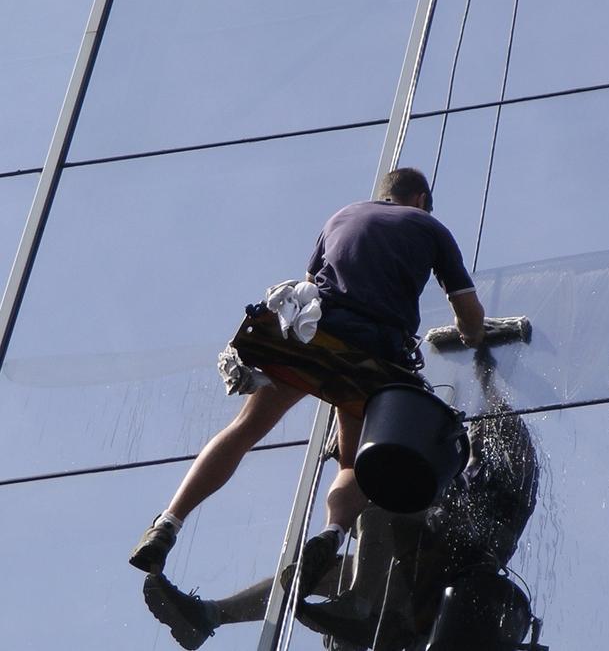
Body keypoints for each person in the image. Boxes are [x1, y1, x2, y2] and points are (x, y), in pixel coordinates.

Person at [129, 168, 486, 590]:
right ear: (421, 199)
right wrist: (472, 337)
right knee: (353, 461)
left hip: (315, 338)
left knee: (244, 429)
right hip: (372, 356)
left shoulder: (341, 216)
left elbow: (310, 285)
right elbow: (468, 311)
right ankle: (331, 534)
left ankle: (168, 523)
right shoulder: (430, 227)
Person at [141, 363, 539, 651]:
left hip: (455, 563)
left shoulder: (503, 469)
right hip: (427, 564)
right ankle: (209, 616)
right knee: (331, 568)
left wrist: (488, 376)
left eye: (474, 429)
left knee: (380, 499)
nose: (468, 432)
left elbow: (498, 460)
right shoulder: (458, 467)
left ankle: (360, 606)